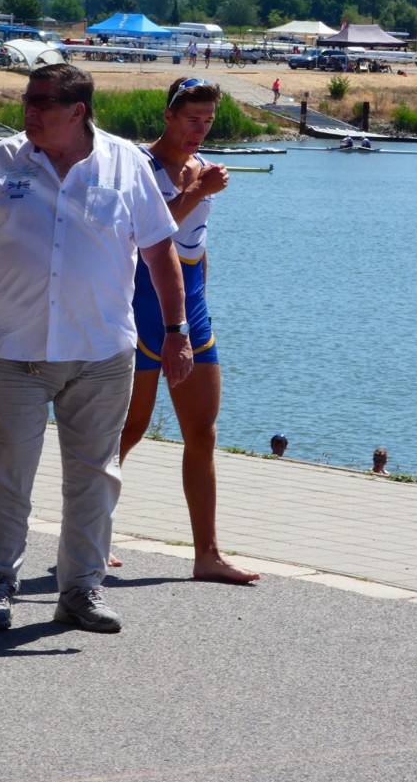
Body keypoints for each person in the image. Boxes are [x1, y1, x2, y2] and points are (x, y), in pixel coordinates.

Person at [0, 63, 193, 634]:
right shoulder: (3, 160)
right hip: (12, 351)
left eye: (43, 102)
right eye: (27, 99)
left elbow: (160, 253)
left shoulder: (126, 163)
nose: (29, 110)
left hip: (101, 353)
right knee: (3, 476)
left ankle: (80, 591)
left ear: (78, 111)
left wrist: (176, 332)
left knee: (95, 477)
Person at [115, 77, 260, 585]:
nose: (200, 129)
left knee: (201, 432)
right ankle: (90, 531)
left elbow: (197, 243)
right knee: (129, 428)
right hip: (143, 305)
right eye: (192, 119)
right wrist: (198, 191)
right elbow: (143, 234)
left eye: (209, 121)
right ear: (169, 116)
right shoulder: (137, 165)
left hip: (192, 308)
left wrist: (202, 296)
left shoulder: (202, 168)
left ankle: (208, 555)